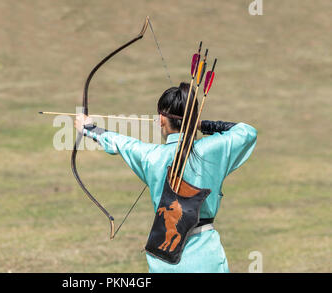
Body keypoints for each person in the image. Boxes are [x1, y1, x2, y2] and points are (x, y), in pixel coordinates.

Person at [74, 82, 257, 273]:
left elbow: (121, 142)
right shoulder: (213, 149)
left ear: (162, 119)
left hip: (166, 262)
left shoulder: (152, 156)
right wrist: (202, 124)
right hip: (206, 259)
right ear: (192, 118)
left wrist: (89, 128)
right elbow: (247, 132)